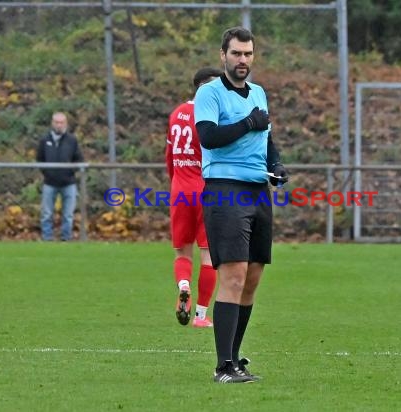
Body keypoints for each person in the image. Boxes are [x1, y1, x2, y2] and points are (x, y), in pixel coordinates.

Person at [194, 27, 289, 383]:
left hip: (257, 189)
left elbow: (266, 139)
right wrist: (249, 122)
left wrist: (276, 165)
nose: (243, 60)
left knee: (252, 278)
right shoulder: (210, 93)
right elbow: (209, 137)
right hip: (225, 188)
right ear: (223, 56)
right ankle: (222, 368)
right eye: (236, 54)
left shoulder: (259, 93)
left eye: (248, 54)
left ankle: (235, 360)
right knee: (232, 275)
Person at [166, 67, 222, 328]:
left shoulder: (177, 114)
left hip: (180, 189)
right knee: (208, 255)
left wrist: (175, 183)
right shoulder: (210, 114)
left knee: (181, 250)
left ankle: (184, 285)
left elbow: (169, 158)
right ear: (205, 87)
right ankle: (200, 315)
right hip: (205, 189)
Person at [36, 112, 84, 241]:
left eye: (61, 122)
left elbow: (79, 159)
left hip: (68, 183)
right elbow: (40, 159)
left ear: (66, 124)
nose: (59, 125)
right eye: (56, 122)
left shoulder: (72, 140)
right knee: (47, 213)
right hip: (49, 183)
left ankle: (66, 238)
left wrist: (70, 172)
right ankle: (47, 238)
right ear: (52, 123)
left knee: (68, 214)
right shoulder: (44, 140)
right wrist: (47, 173)